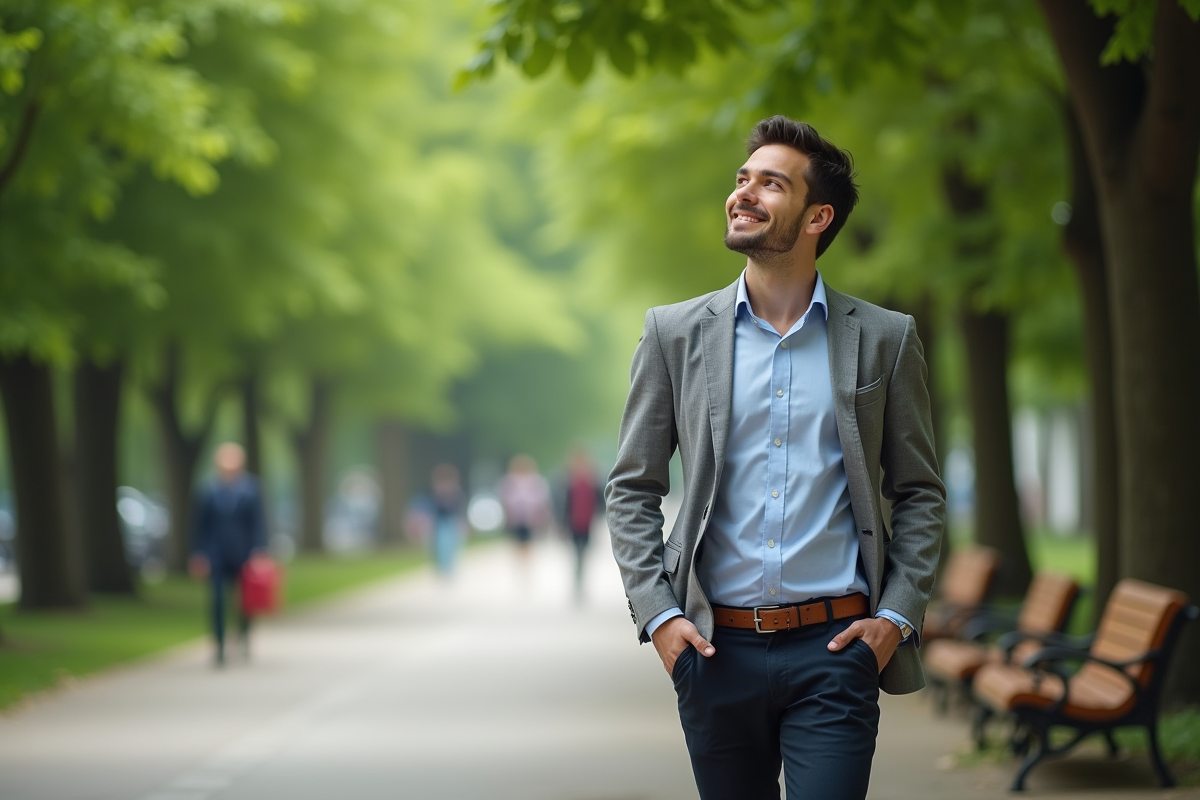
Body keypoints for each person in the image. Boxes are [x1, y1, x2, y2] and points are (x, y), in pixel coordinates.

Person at [606, 116, 945, 800]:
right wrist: (660, 617)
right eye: (741, 180)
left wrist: (896, 618)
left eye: (771, 183)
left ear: (818, 215)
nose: (744, 193)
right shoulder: (674, 334)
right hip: (713, 652)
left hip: (836, 652)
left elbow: (920, 492)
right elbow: (631, 487)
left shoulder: (884, 339)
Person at [189, 442, 267, 667]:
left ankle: (243, 636)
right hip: (216, 553)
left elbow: (258, 523)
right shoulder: (208, 489)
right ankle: (220, 644)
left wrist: (259, 551)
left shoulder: (251, 489)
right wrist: (198, 553)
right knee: (217, 600)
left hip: (244, 552)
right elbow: (198, 524)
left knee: (245, 601)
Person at [560, 448, 602, 601]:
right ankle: (577, 582)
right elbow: (565, 505)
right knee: (576, 554)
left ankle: (581, 581)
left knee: (583, 554)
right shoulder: (569, 482)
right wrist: (563, 524)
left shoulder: (593, 482)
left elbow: (599, 503)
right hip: (573, 523)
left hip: (587, 523)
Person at [497, 454, 551, 564]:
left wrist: (542, 515)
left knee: (527, 540)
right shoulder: (509, 481)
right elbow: (505, 499)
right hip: (515, 517)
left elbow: (541, 500)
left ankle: (526, 559)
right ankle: (520, 559)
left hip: (530, 517)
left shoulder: (535, 481)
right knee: (517, 540)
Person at [429, 463, 465, 577]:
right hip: (441, 521)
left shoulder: (456, 491)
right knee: (441, 545)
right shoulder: (435, 492)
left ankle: (449, 567)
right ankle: (442, 567)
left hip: (452, 520)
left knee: (453, 544)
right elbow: (433, 508)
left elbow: (459, 507)